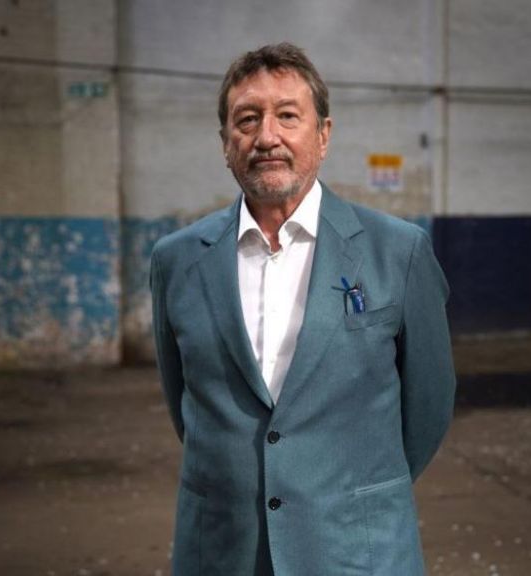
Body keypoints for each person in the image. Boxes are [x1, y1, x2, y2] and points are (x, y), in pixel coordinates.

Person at [149, 42, 456, 576]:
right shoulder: (177, 261)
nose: (267, 136)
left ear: (323, 135)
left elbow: (428, 405)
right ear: (226, 143)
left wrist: (349, 493)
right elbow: (187, 408)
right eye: (247, 119)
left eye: (288, 116)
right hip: (224, 551)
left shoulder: (397, 252)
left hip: (358, 551)